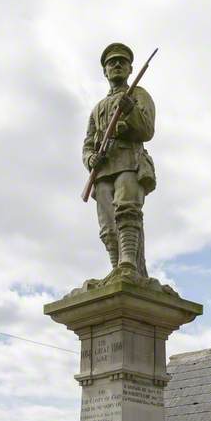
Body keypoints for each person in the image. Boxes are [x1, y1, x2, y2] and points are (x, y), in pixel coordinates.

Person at [82, 42, 156, 276]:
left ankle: (128, 263)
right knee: (107, 226)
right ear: (105, 71)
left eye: (121, 62)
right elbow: (87, 143)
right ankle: (116, 267)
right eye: (111, 63)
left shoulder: (138, 94)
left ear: (130, 69)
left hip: (129, 162)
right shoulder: (97, 109)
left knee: (127, 210)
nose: (116, 65)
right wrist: (91, 158)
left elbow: (147, 130)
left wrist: (131, 111)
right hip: (103, 171)